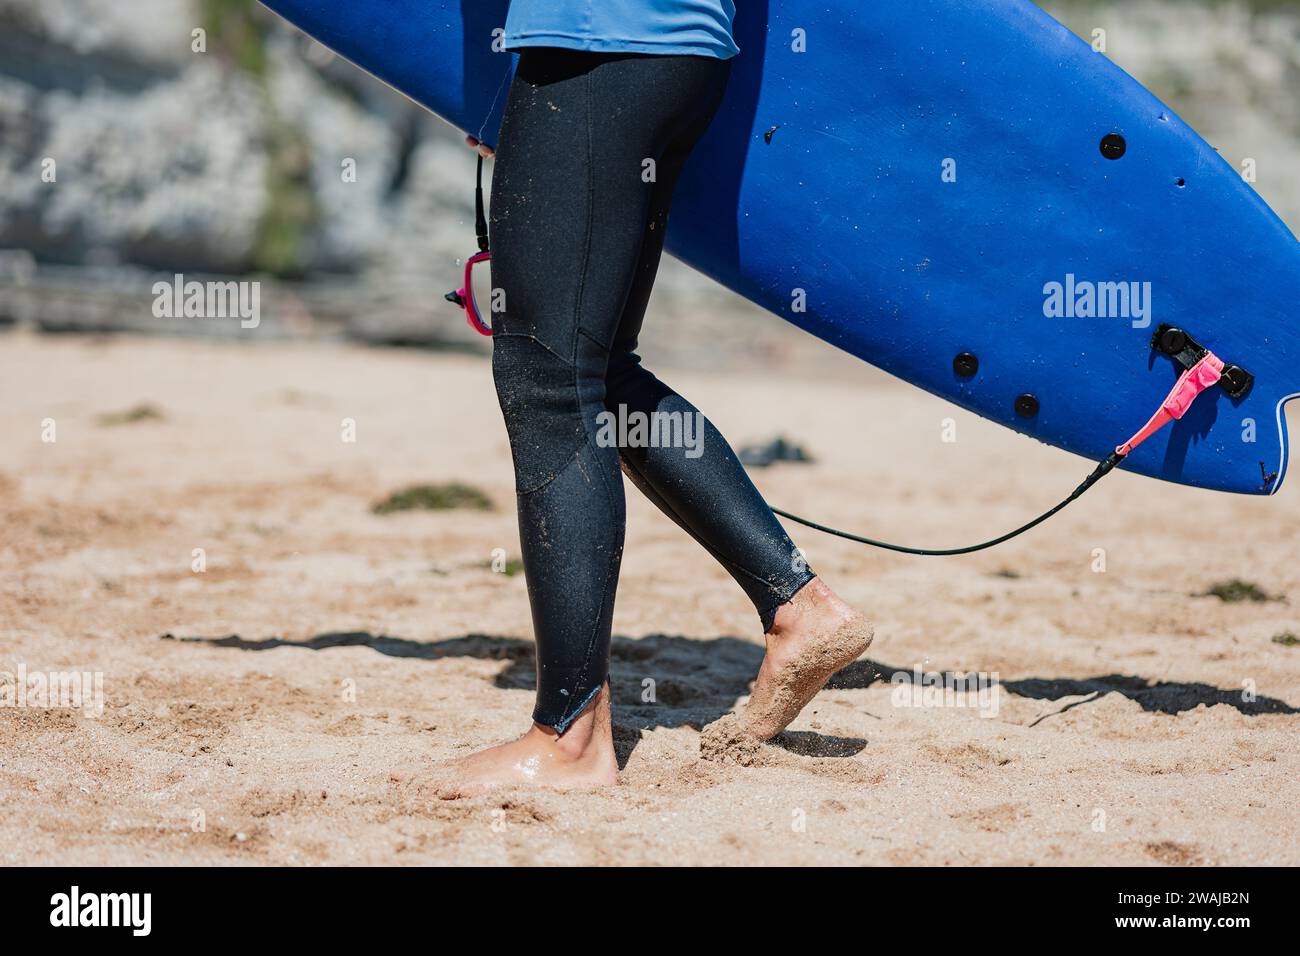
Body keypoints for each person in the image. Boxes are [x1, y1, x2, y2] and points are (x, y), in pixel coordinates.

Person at [440, 0, 871, 796]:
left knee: (546, 383)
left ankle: (570, 740)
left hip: (594, 41)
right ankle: (799, 604)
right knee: (598, 376)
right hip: (681, 50)